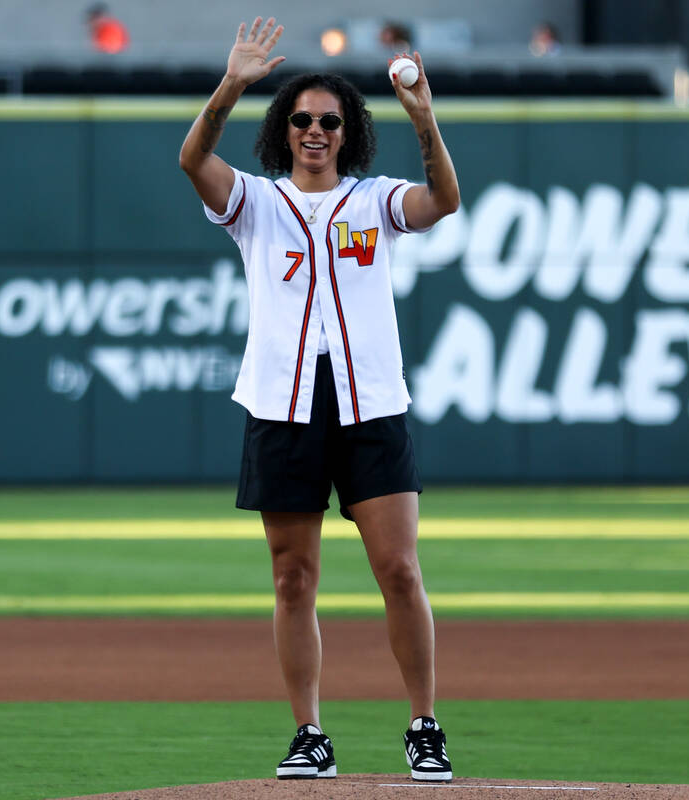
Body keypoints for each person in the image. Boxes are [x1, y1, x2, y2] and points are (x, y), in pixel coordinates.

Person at [178, 15, 460, 784]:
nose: (313, 130)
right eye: (300, 118)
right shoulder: (255, 205)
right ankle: (309, 732)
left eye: (328, 121)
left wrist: (425, 120)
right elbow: (192, 158)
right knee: (291, 577)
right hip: (282, 403)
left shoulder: (375, 201)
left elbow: (444, 201)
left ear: (348, 132)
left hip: (370, 401)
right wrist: (232, 85)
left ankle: (424, 725)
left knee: (398, 569)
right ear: (284, 128)